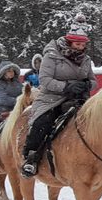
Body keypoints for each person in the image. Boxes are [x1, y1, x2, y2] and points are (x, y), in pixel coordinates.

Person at [20, 25, 97, 178]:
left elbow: (93, 81)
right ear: (69, 42)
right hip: (52, 98)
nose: (81, 48)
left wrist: (87, 85)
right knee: (42, 122)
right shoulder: (52, 56)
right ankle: (31, 158)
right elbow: (44, 80)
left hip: (79, 98)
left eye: (83, 45)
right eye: (78, 44)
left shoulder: (86, 59)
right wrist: (66, 86)